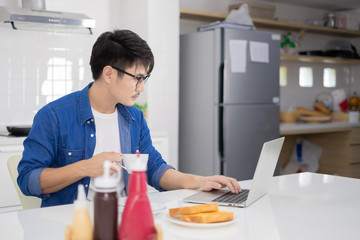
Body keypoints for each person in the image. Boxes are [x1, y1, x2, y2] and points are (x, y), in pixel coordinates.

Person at [17, 29, 241, 207]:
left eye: (145, 79)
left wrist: (200, 181)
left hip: (126, 222)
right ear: (109, 73)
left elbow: (154, 169)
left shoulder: (133, 117)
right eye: (138, 78)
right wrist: (85, 167)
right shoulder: (54, 116)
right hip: (73, 225)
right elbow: (28, 180)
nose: (141, 88)